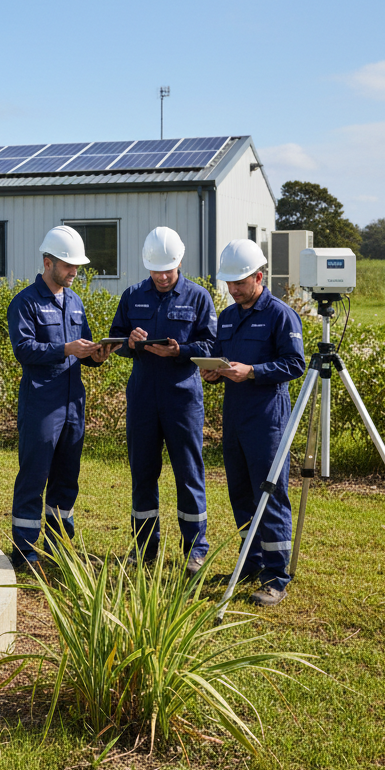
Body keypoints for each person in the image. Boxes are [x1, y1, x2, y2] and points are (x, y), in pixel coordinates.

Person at [200, 239, 306, 607]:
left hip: (268, 418)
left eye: (239, 283)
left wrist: (254, 371)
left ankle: (276, 576)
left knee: (270, 494)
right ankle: (251, 562)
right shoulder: (227, 316)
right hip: (235, 416)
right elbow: (220, 357)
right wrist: (213, 372)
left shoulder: (280, 314)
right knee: (241, 492)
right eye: (228, 284)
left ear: (259, 277)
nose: (232, 290)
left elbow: (295, 364)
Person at [109, 227, 217, 574]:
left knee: (189, 473)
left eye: (168, 270)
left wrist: (179, 351)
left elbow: (212, 346)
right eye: (155, 271)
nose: (162, 276)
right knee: (143, 473)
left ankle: (195, 549)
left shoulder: (199, 297)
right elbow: (116, 342)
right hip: (142, 397)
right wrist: (131, 341)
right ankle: (144, 547)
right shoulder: (132, 295)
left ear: (180, 262)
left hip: (182, 398)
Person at [7, 225, 115, 571]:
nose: (74, 273)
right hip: (41, 402)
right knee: (34, 475)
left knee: (67, 477)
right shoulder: (25, 302)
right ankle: (24, 551)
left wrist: (95, 356)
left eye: (77, 267)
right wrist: (65, 349)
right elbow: (24, 350)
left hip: (72, 403)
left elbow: (81, 348)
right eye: (68, 266)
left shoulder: (75, 302)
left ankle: (59, 546)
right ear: (48, 262)